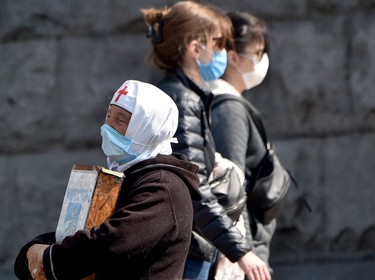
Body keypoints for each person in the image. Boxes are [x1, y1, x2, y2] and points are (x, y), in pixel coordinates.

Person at [14, 80, 202, 280]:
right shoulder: (133, 175)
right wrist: (35, 248)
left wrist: (49, 257)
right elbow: (85, 228)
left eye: (121, 120)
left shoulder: (163, 186)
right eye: (108, 115)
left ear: (148, 129)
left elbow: (113, 241)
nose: (108, 126)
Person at [141, 2, 271, 280]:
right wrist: (241, 251)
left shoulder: (183, 95)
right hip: (190, 253)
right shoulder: (183, 100)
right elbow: (195, 187)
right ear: (195, 48)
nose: (223, 52)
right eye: (219, 44)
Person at [209, 11, 276, 277]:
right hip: (246, 252)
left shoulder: (226, 101)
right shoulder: (228, 108)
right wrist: (246, 255)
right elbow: (232, 188)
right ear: (233, 58)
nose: (262, 61)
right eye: (257, 53)